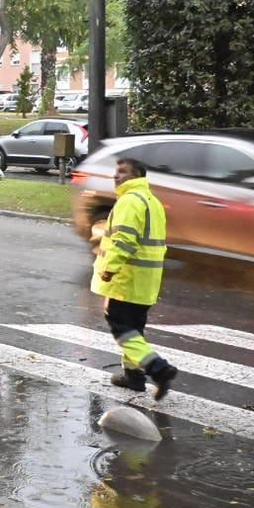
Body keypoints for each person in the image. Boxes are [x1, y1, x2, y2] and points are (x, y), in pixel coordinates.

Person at [93, 156, 179, 399]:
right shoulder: (152, 201)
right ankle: (133, 377)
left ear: (136, 176)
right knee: (134, 329)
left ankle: (159, 369)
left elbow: (125, 240)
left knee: (121, 328)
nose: (116, 176)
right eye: (116, 171)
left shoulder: (129, 202)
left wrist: (109, 268)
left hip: (127, 277)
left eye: (122, 172)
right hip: (147, 279)